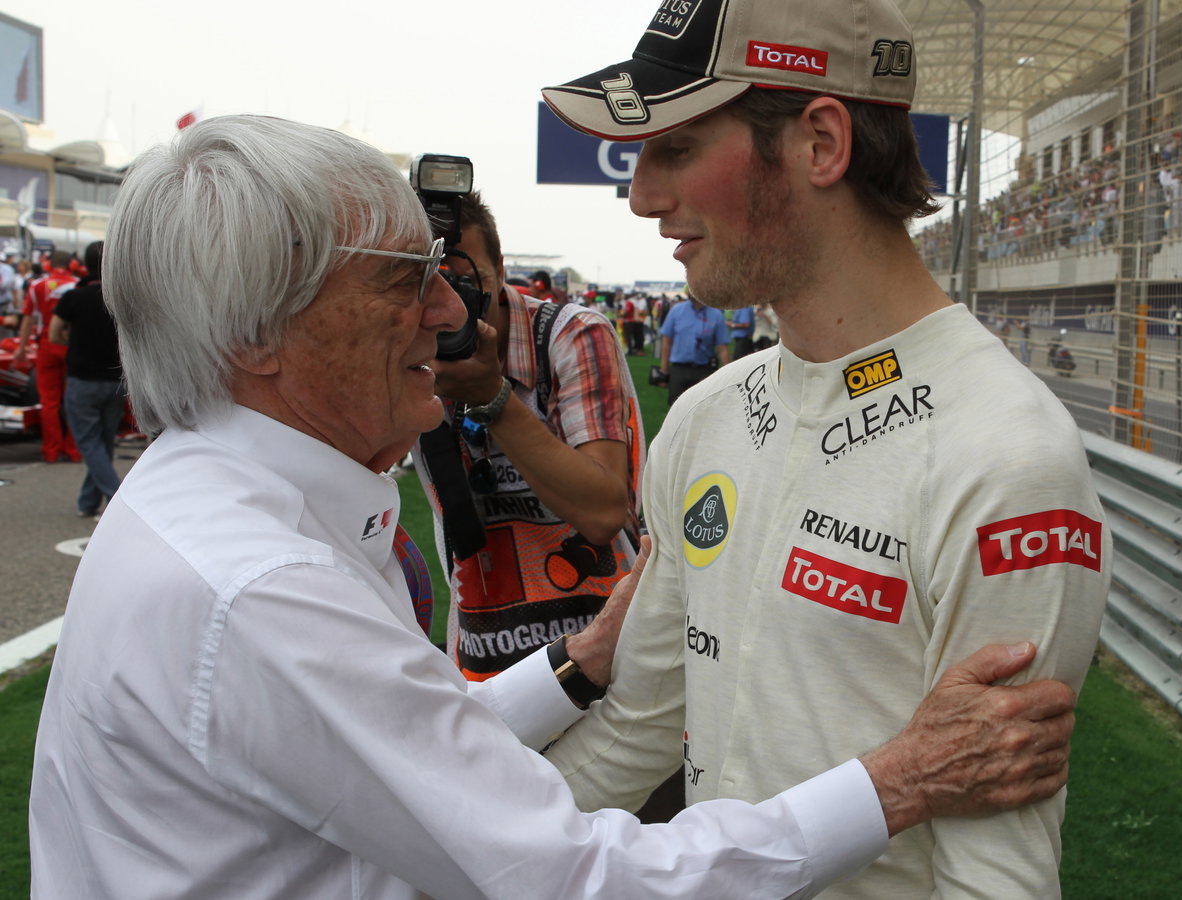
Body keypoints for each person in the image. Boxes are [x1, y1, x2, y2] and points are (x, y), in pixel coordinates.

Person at [29, 113, 1082, 900]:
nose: (450, 315)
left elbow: (390, 753)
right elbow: (565, 875)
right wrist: (901, 779)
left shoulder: (209, 502)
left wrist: (580, 664)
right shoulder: (258, 585)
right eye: (405, 278)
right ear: (258, 333)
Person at [541, 0, 1112, 896]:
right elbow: (638, 731)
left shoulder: (1006, 457)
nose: (644, 194)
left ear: (820, 143)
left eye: (676, 149)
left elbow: (994, 877)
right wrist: (450, 861)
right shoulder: (707, 417)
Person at [416, 189, 645, 686]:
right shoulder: (404, 353)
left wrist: (491, 397)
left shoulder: (570, 335)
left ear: (497, 268)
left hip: (608, 655)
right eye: (421, 279)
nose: (444, 302)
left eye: (458, 275)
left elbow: (603, 512)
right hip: (484, 660)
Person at [47, 240, 125, 518]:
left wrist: (72, 339)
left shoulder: (73, 297)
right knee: (102, 443)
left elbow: (54, 333)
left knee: (89, 443)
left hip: (82, 378)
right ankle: (87, 503)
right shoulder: (119, 298)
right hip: (114, 379)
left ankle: (118, 499)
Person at [12, 248, 80, 462]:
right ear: (72, 265)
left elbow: (28, 320)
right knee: (74, 400)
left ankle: (51, 451)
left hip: (46, 346)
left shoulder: (36, 285)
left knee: (49, 402)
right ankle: (73, 449)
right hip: (72, 347)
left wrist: (21, 348)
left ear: (48, 265)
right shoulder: (77, 285)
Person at [656, 292, 729, 404]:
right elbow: (666, 342)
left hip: (705, 371)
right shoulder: (676, 311)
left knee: (704, 409)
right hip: (679, 370)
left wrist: (730, 374)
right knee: (677, 410)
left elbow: (723, 348)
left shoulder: (716, 315)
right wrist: (664, 371)